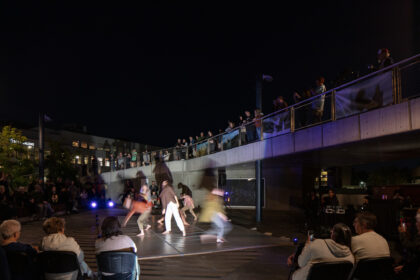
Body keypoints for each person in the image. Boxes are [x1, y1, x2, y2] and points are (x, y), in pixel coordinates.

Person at [287, 223, 354, 280]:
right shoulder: (351, 258)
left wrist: (308, 244)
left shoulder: (316, 244)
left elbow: (301, 262)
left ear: (332, 235)